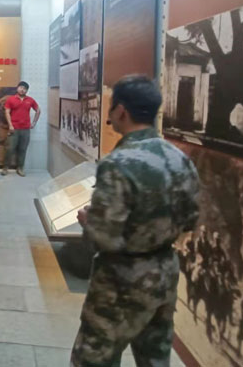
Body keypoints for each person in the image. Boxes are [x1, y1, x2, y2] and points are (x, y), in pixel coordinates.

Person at [71, 75, 200, 367]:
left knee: (93, 358)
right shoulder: (179, 158)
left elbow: (104, 237)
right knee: (154, 357)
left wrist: (88, 221)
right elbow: (191, 219)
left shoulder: (118, 163)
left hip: (121, 280)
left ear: (121, 111)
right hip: (164, 272)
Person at [3, 81, 40, 177]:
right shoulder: (11, 99)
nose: (22, 90)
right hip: (14, 129)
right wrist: (10, 125)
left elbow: (38, 110)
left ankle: (20, 168)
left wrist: (34, 123)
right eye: (21, 87)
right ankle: (5, 167)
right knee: (9, 149)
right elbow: (7, 112)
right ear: (17, 88)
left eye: (25, 88)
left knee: (23, 149)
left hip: (25, 129)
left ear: (27, 90)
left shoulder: (30, 100)